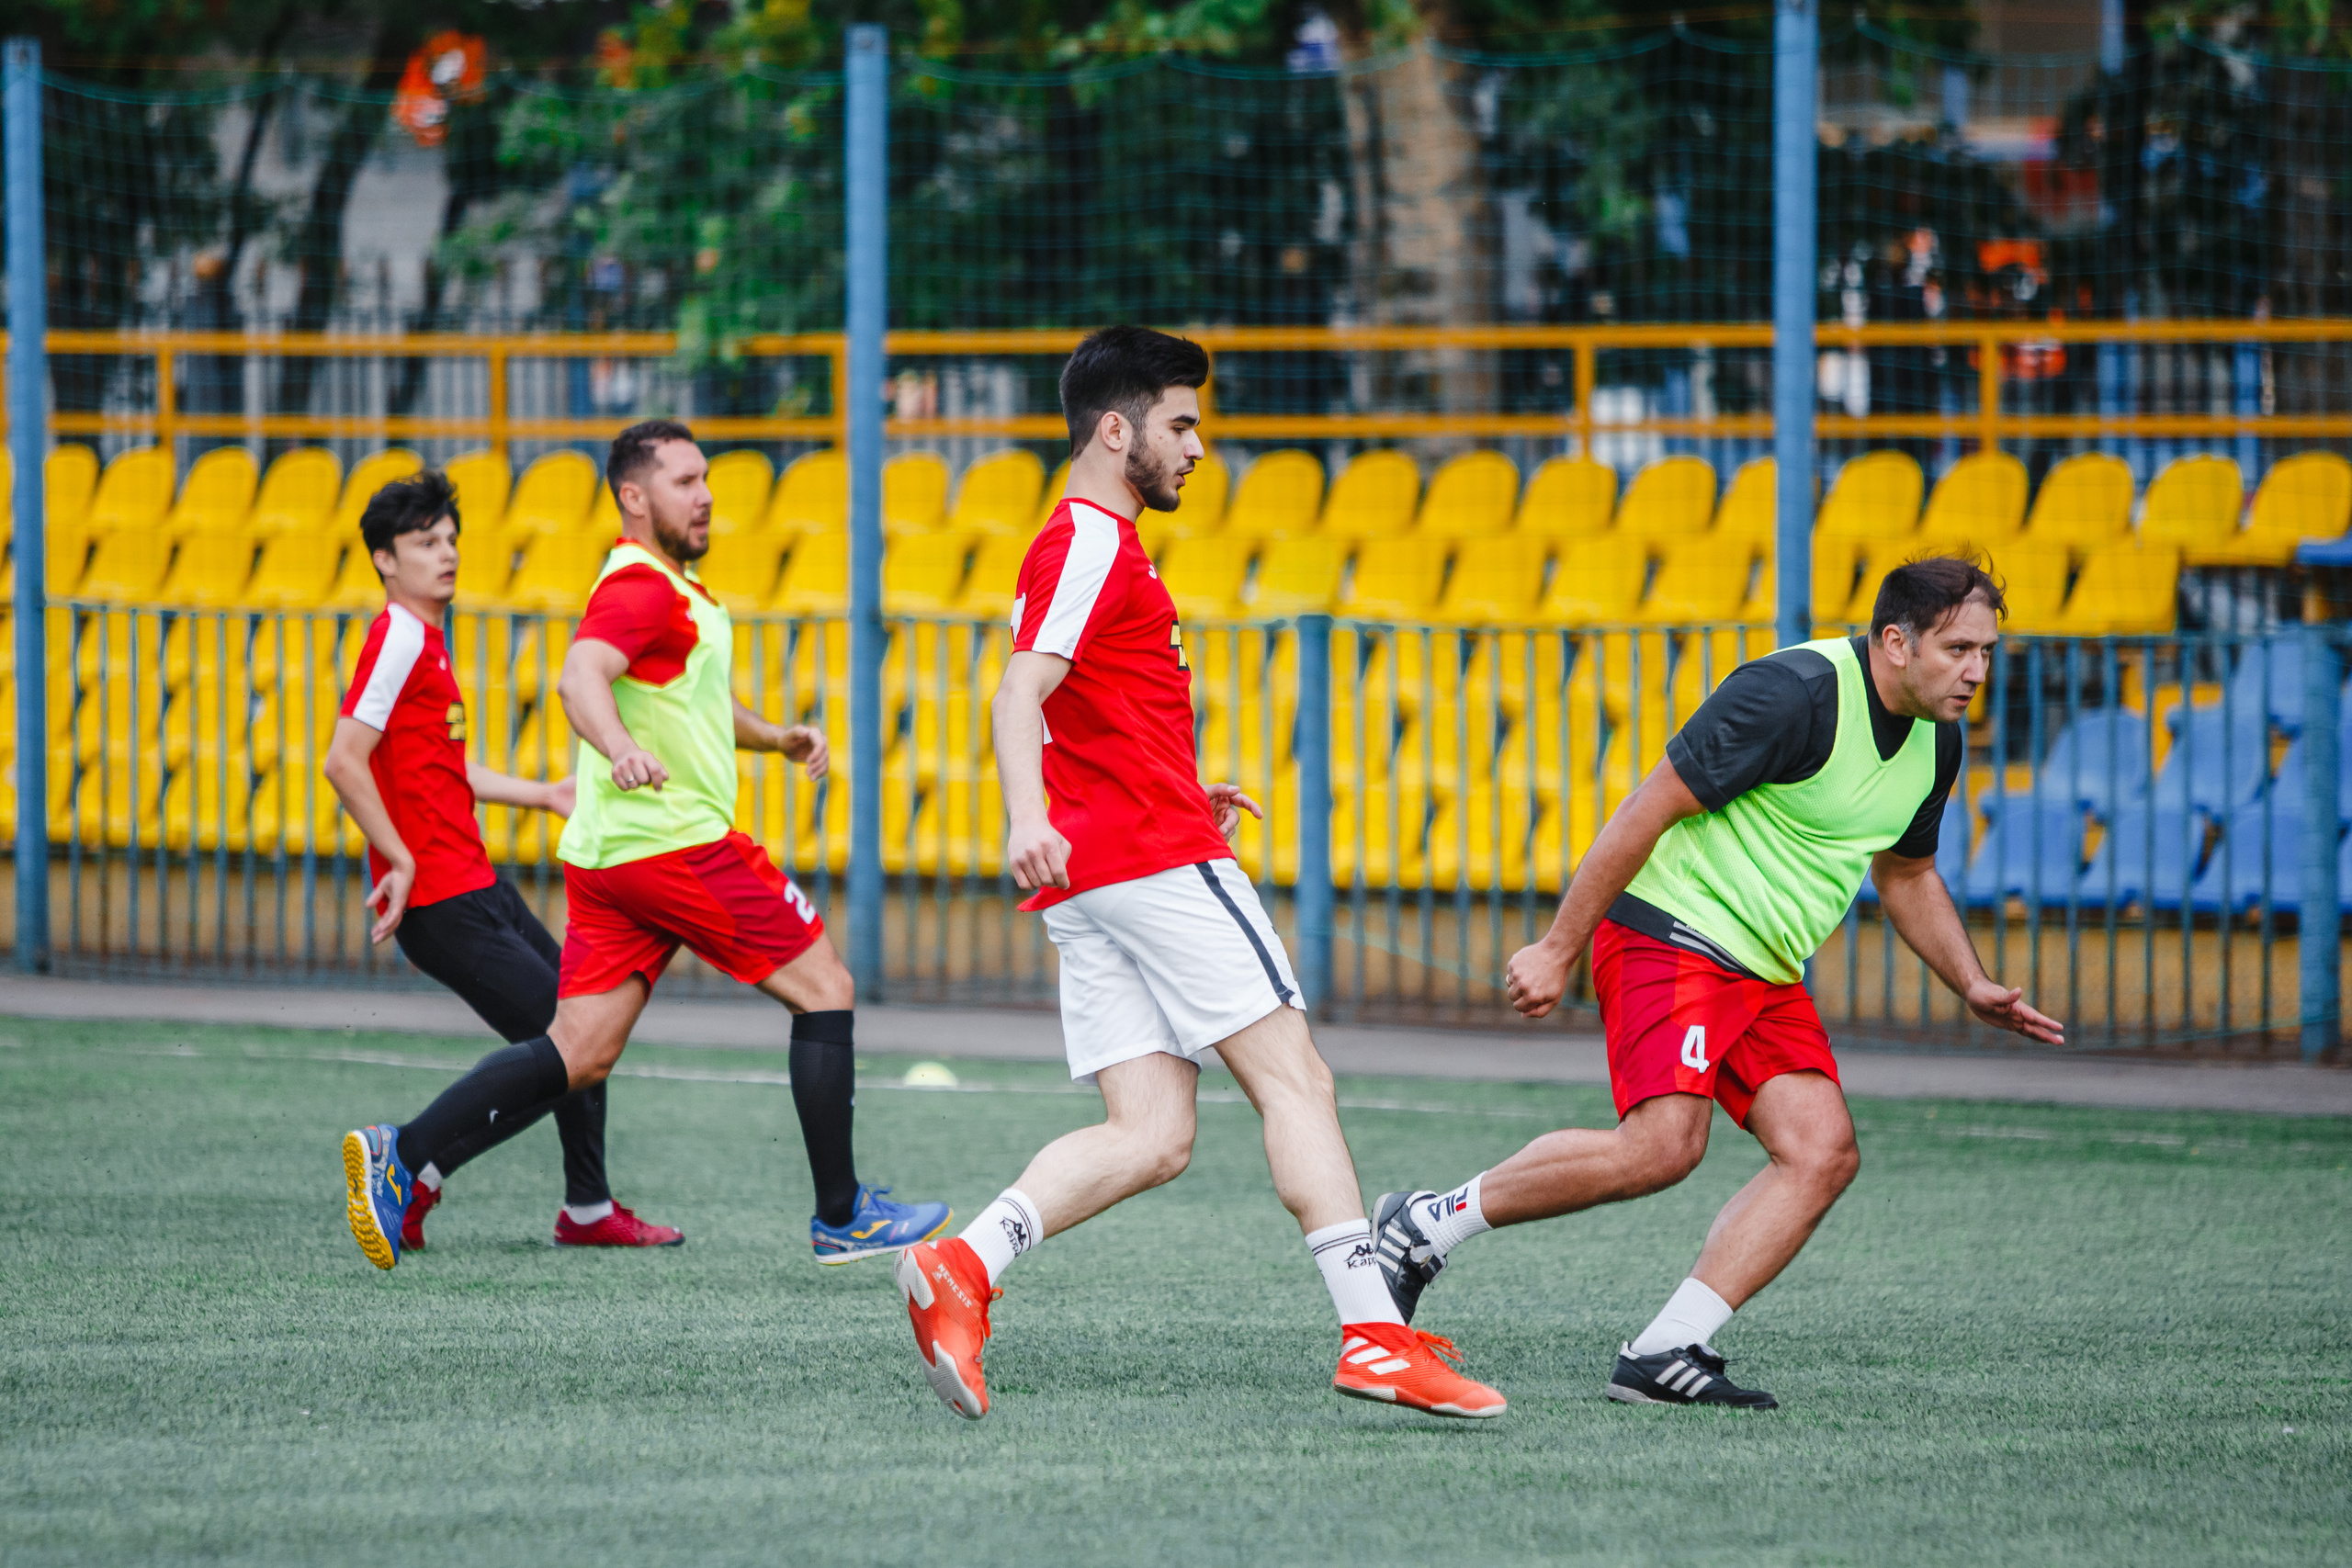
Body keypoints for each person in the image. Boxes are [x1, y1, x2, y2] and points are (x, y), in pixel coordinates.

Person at [892, 327, 1504, 1423]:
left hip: (1107, 866)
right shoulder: (1089, 540)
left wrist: (1178, 782)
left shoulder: (1090, 546)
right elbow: (1015, 694)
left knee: (1152, 1135)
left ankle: (963, 1269)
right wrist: (1027, 816)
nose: (1198, 448)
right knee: (1296, 1081)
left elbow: (1089, 708)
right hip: (1145, 863)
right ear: (1115, 429)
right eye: (1181, 424)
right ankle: (1375, 1337)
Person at [1371, 556, 2063, 1408]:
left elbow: (1908, 874)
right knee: (1665, 1145)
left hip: (1764, 967)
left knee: (1821, 1152)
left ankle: (1666, 1349)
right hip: (1675, 931)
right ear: (1896, 641)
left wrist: (1972, 982)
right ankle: (1422, 1227)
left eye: (1988, 652)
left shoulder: (1938, 741)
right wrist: (1558, 946)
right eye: (1959, 649)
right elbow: (1648, 806)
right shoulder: (1792, 693)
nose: (1977, 672)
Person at [341, 421, 949, 1272]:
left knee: (581, 1050)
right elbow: (578, 677)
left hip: (611, 858)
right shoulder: (639, 587)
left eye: (706, 479)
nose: (703, 496)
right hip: (676, 844)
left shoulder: (673, 590)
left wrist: (771, 737)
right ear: (634, 496)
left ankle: (403, 1157)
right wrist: (616, 743)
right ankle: (842, 1213)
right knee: (827, 986)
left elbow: (693, 702)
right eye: (683, 481)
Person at [323, 469, 680, 1253]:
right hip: (441, 902)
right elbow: (345, 760)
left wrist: (541, 795)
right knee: (568, 1039)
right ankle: (407, 1157)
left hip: (477, 884)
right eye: (425, 543)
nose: (446, 554)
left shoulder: (427, 641)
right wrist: (399, 859)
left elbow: (441, 768)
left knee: (587, 1029)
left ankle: (584, 1206)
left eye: (451, 538)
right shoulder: (400, 636)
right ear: (386, 559)